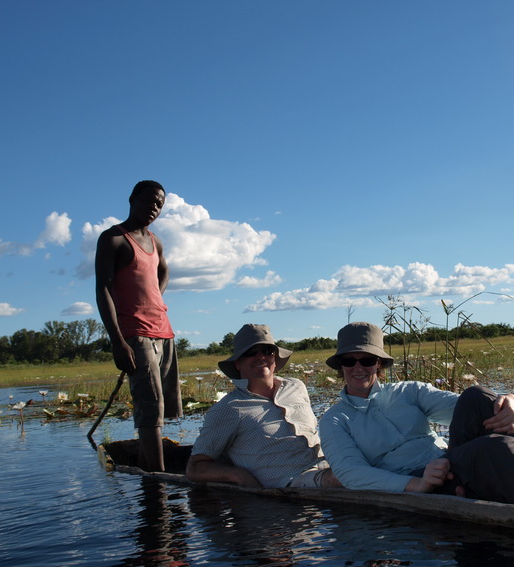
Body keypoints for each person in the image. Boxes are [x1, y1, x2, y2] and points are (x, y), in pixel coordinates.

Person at [318, 322, 514, 506]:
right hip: (419, 480)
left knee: (477, 396)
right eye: (349, 360)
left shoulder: (408, 391)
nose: (358, 367)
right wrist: (418, 484)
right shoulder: (334, 420)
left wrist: (512, 401)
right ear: (339, 366)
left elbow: (471, 409)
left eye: (366, 360)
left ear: (379, 364)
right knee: (492, 448)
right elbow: (352, 474)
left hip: (448, 460)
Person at [186, 324, 342, 489]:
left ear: (275, 359)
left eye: (267, 351)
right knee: (347, 478)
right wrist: (238, 475)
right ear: (238, 363)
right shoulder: (229, 408)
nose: (261, 357)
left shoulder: (296, 386)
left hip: (329, 465)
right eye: (251, 352)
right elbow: (195, 468)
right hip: (292, 480)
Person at [95, 180, 182, 472]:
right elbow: (103, 288)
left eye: (159, 204)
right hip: (136, 334)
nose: (154, 208)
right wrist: (117, 341)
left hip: (164, 332)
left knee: (162, 408)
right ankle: (159, 480)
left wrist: (156, 295)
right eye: (149, 201)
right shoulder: (114, 239)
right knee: (150, 409)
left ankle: (148, 474)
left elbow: (164, 269)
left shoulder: (155, 241)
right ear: (132, 200)